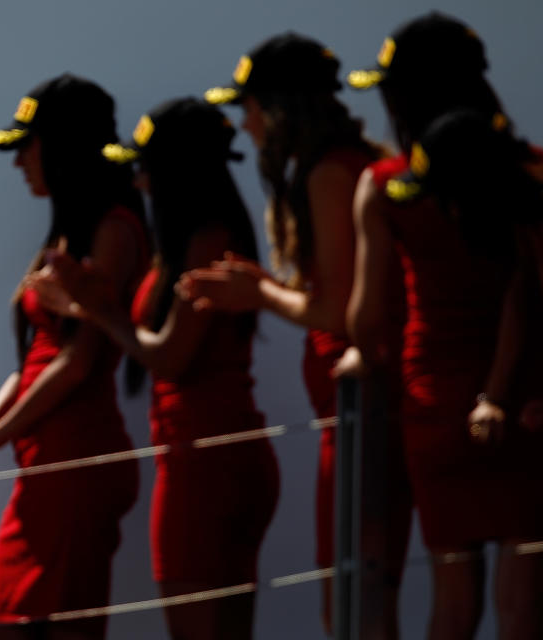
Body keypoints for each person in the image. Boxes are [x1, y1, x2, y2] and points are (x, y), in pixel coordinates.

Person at [179, 33, 413, 635]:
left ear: (281, 109)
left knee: (354, 602)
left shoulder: (330, 173)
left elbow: (334, 310)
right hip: (365, 405)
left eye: (250, 107)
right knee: (362, 594)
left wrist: (257, 292)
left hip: (364, 408)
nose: (244, 124)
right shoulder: (348, 162)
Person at [30, 97, 279, 639]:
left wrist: (99, 310)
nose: (139, 183)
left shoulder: (206, 242)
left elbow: (168, 356)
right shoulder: (199, 240)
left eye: (146, 168)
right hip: (226, 455)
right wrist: (80, 303)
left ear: (176, 171)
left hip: (203, 464)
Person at [0, 74, 148, 640]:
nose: (19, 161)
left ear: (64, 145)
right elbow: (35, 364)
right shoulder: (69, 238)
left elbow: (75, 362)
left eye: (28, 145)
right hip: (47, 464)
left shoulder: (114, 230)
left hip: (77, 463)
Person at [347, 13, 543, 638]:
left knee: (451, 605)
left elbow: (364, 322)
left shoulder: (382, 188)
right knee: (523, 608)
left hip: (432, 404)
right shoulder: (531, 174)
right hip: (525, 402)